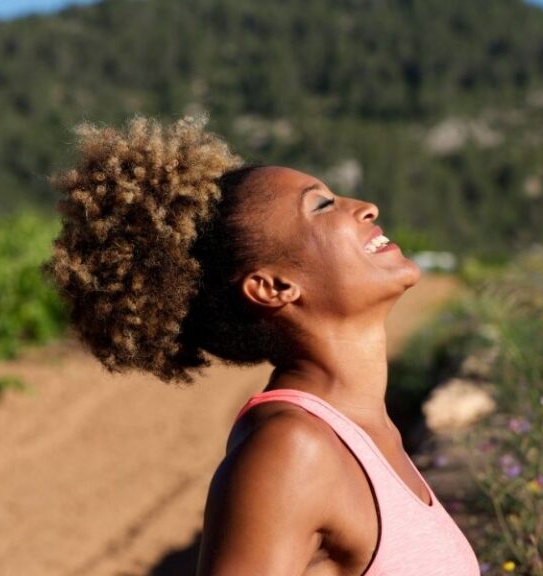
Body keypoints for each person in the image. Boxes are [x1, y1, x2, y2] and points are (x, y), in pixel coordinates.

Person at [46, 115, 481, 575]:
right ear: (273, 287)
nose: (367, 207)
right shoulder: (292, 451)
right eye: (322, 206)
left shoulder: (370, 434)